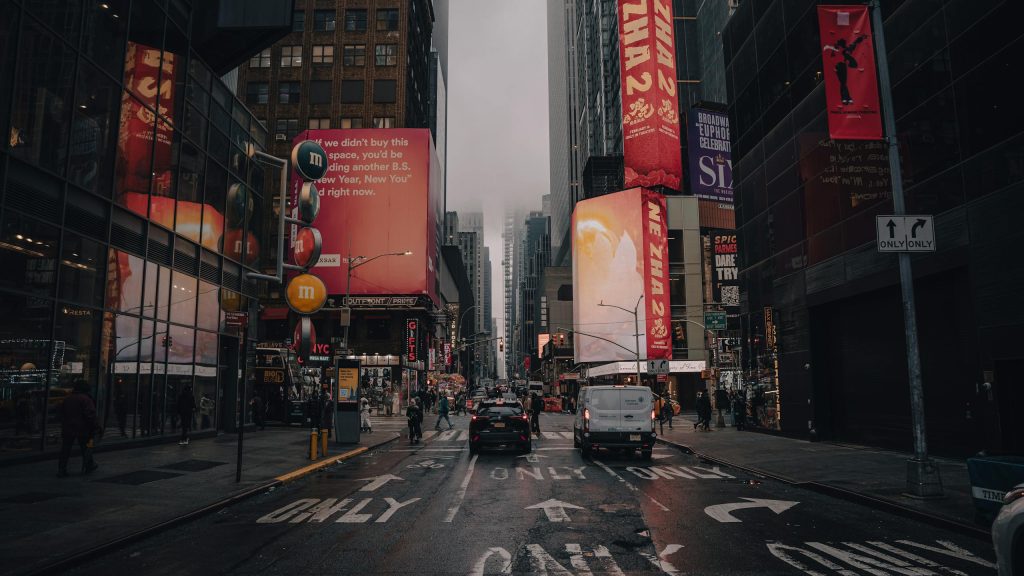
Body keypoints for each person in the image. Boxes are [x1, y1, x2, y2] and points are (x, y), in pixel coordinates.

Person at [57, 379, 98, 477]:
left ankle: (61, 469)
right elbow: (90, 415)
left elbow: (61, 413)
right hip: (82, 428)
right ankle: (89, 465)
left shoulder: (68, 398)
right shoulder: (86, 399)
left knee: (65, 450)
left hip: (68, 427)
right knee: (86, 447)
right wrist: (95, 425)